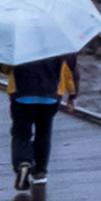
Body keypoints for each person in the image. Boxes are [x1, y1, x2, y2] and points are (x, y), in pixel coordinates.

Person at [6, 49, 76, 189]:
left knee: (21, 133)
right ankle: (40, 172)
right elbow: (70, 71)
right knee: (43, 134)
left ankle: (23, 162)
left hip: (22, 95)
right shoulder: (61, 45)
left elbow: (6, 67)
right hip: (49, 96)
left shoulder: (19, 43)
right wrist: (72, 95)